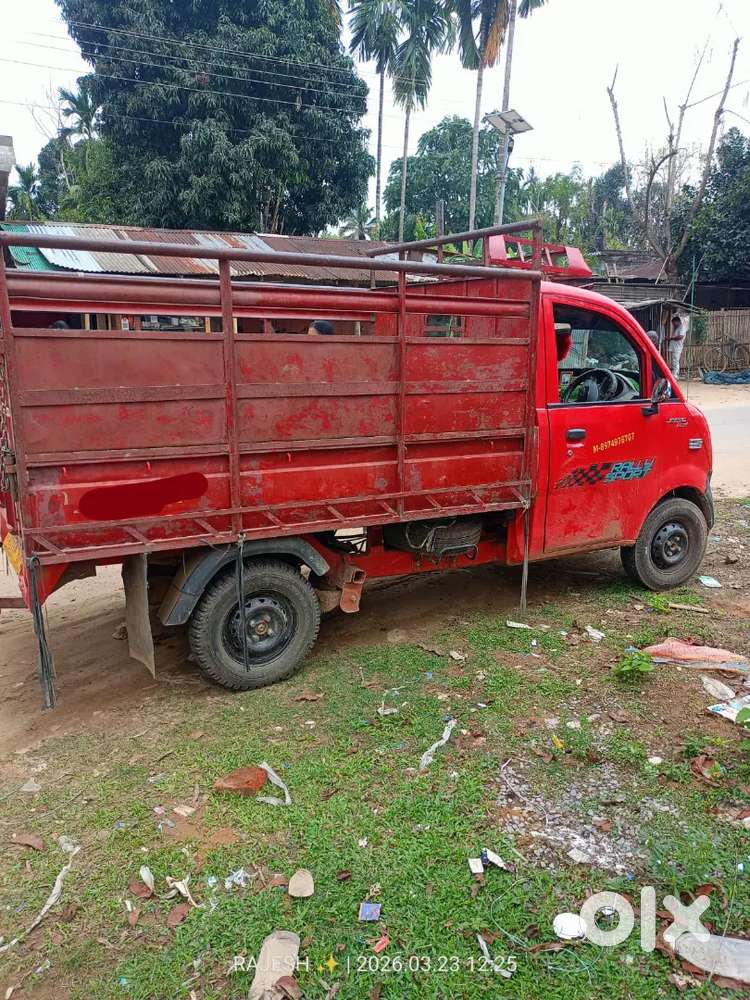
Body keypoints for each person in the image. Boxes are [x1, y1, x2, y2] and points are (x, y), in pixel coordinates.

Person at [667, 314, 687, 379]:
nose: (673, 324)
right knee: (674, 360)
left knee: (675, 360)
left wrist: (671, 338)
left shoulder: (682, 327)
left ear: (677, 321)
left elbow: (680, 337)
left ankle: (675, 375)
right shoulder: (678, 328)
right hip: (675, 346)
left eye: (674, 323)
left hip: (677, 347)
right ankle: (674, 374)